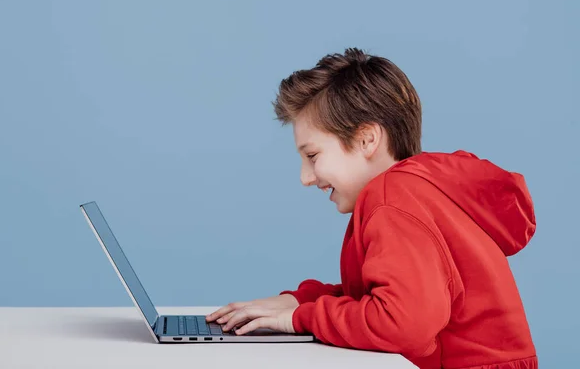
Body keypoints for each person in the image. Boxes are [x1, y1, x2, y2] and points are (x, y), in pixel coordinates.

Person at [206, 48, 538, 369]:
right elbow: (381, 298)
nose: (306, 178)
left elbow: (402, 323)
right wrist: (300, 301)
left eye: (312, 156)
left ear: (367, 140)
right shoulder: (414, 191)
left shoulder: (391, 196)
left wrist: (298, 319)